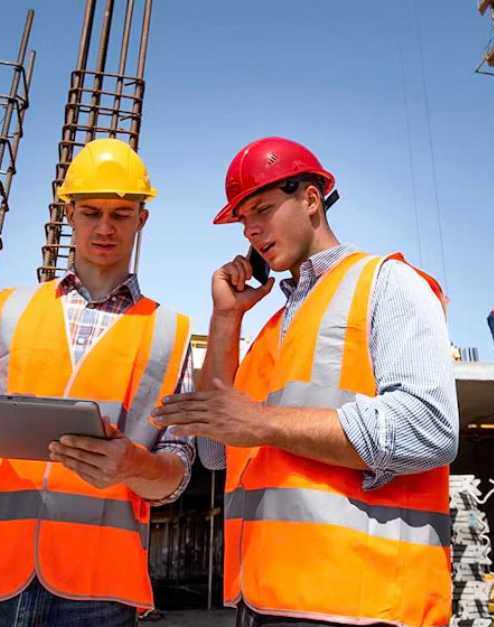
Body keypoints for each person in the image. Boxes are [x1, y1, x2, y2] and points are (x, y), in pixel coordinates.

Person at [154, 137, 459, 626]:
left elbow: (429, 429)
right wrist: (226, 319)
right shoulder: (271, 331)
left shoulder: (387, 284)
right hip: (263, 602)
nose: (251, 230)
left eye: (263, 209)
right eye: (243, 220)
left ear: (311, 199)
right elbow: (214, 450)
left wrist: (263, 421)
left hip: (366, 605)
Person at [0, 138, 195, 626]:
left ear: (141, 220)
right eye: (91, 212)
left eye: (121, 214)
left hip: (95, 590)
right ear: (69, 214)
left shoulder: (170, 332)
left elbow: (176, 473)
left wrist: (132, 464)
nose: (105, 227)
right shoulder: (8, 310)